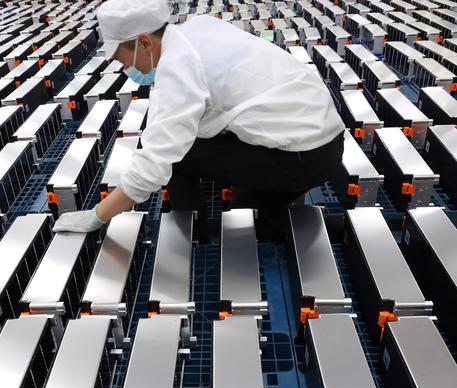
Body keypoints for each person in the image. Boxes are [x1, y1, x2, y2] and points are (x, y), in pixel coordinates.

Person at [53, 0, 346, 239]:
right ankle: (329, 227)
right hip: (322, 137)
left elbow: (154, 165)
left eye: (123, 59)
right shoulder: (196, 28)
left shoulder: (180, 65)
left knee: (183, 158)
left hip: (303, 156)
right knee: (246, 215)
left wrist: (97, 216)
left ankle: (196, 233)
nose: (127, 68)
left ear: (144, 43)